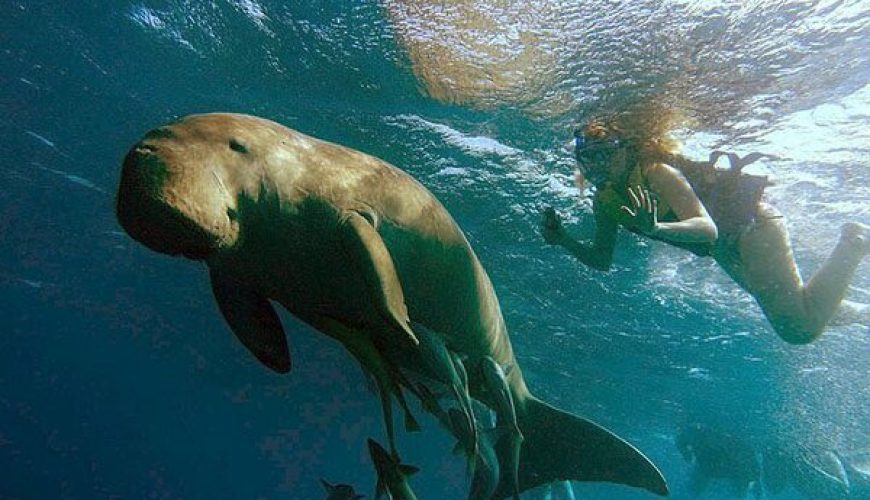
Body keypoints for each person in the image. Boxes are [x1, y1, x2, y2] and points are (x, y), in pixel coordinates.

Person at [541, 116, 868, 344]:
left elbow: (706, 229)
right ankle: (864, 313)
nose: (597, 167)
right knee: (800, 310)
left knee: (798, 329)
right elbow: (602, 259)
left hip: (751, 228)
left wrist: (655, 227)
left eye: (604, 156)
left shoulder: (657, 173)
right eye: (588, 160)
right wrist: (564, 240)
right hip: (726, 248)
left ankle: (854, 241)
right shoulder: (605, 201)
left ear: (625, 150)